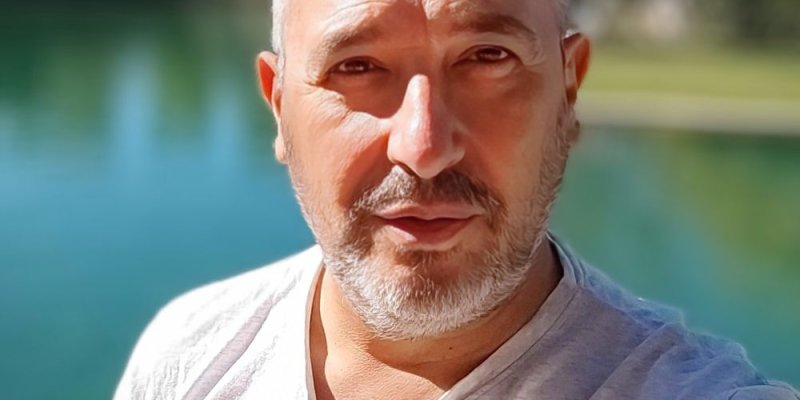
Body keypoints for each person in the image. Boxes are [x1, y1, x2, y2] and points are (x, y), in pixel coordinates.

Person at [114, 0, 799, 399]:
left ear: (567, 92)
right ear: (279, 107)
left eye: (488, 57)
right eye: (357, 66)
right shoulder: (188, 353)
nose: (424, 146)